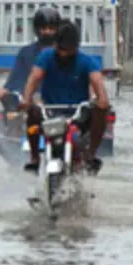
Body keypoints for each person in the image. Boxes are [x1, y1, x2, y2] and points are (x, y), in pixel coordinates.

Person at [18, 21, 110, 174]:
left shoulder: (87, 62)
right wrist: (26, 99)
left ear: (76, 47)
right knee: (32, 112)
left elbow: (97, 82)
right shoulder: (46, 57)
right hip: (50, 113)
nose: (63, 54)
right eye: (61, 49)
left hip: (78, 116)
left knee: (101, 111)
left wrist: (102, 100)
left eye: (68, 50)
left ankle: (90, 155)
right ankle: (35, 158)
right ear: (55, 45)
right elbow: (34, 78)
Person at [0, 6, 60, 112]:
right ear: (36, 30)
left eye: (51, 29)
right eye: (43, 29)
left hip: (61, 104)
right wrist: (5, 92)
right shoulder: (26, 53)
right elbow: (15, 79)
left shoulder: (67, 53)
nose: (47, 32)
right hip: (31, 105)